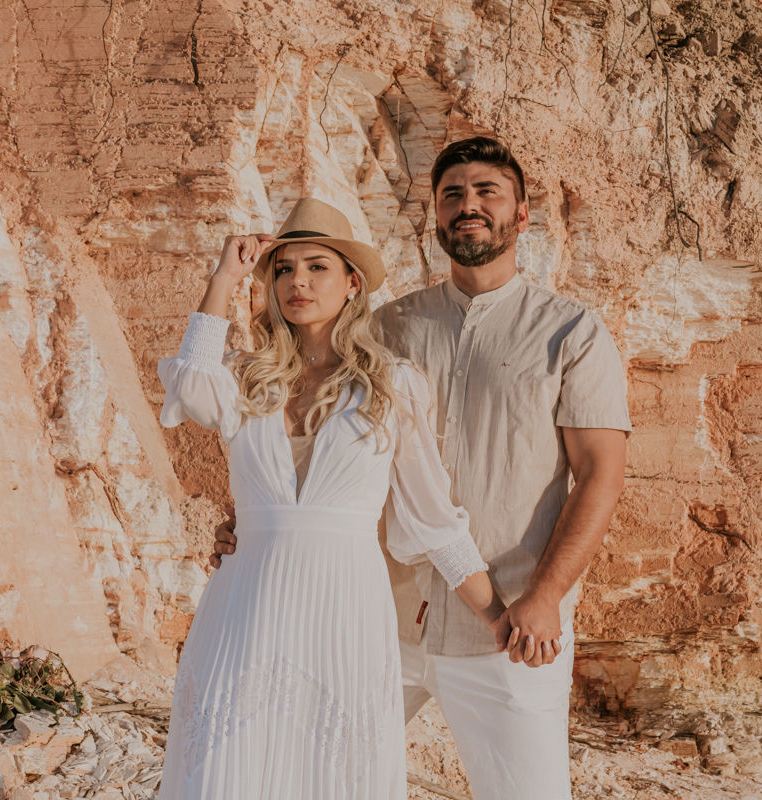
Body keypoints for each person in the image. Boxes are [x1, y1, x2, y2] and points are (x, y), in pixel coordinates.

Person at [214, 137, 631, 799]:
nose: (468, 205)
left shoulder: (570, 334)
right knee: (321, 781)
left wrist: (546, 597)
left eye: (486, 192)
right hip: (377, 619)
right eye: (452, 194)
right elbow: (306, 425)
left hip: (507, 625)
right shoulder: (384, 328)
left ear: (522, 215)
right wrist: (253, 519)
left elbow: (601, 475)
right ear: (436, 217)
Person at [156, 198, 512, 799]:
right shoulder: (245, 378)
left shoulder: (392, 386)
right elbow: (192, 384)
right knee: (226, 762)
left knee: (330, 768)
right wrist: (224, 278)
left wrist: (500, 619)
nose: (297, 281)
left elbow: (434, 522)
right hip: (246, 602)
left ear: (352, 283)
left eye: (317, 267)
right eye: (285, 268)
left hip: (343, 603)